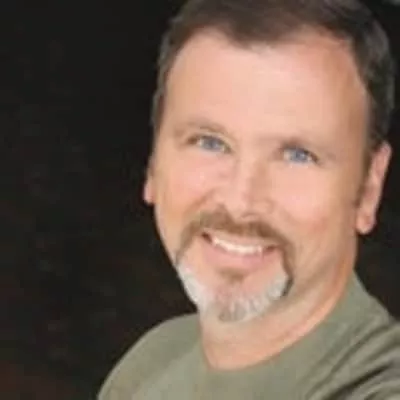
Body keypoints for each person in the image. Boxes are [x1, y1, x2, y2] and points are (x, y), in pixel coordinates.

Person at [99, 0, 400, 398]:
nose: (240, 202)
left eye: (297, 155)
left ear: (369, 188)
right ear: (153, 164)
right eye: (209, 142)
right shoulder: (152, 362)